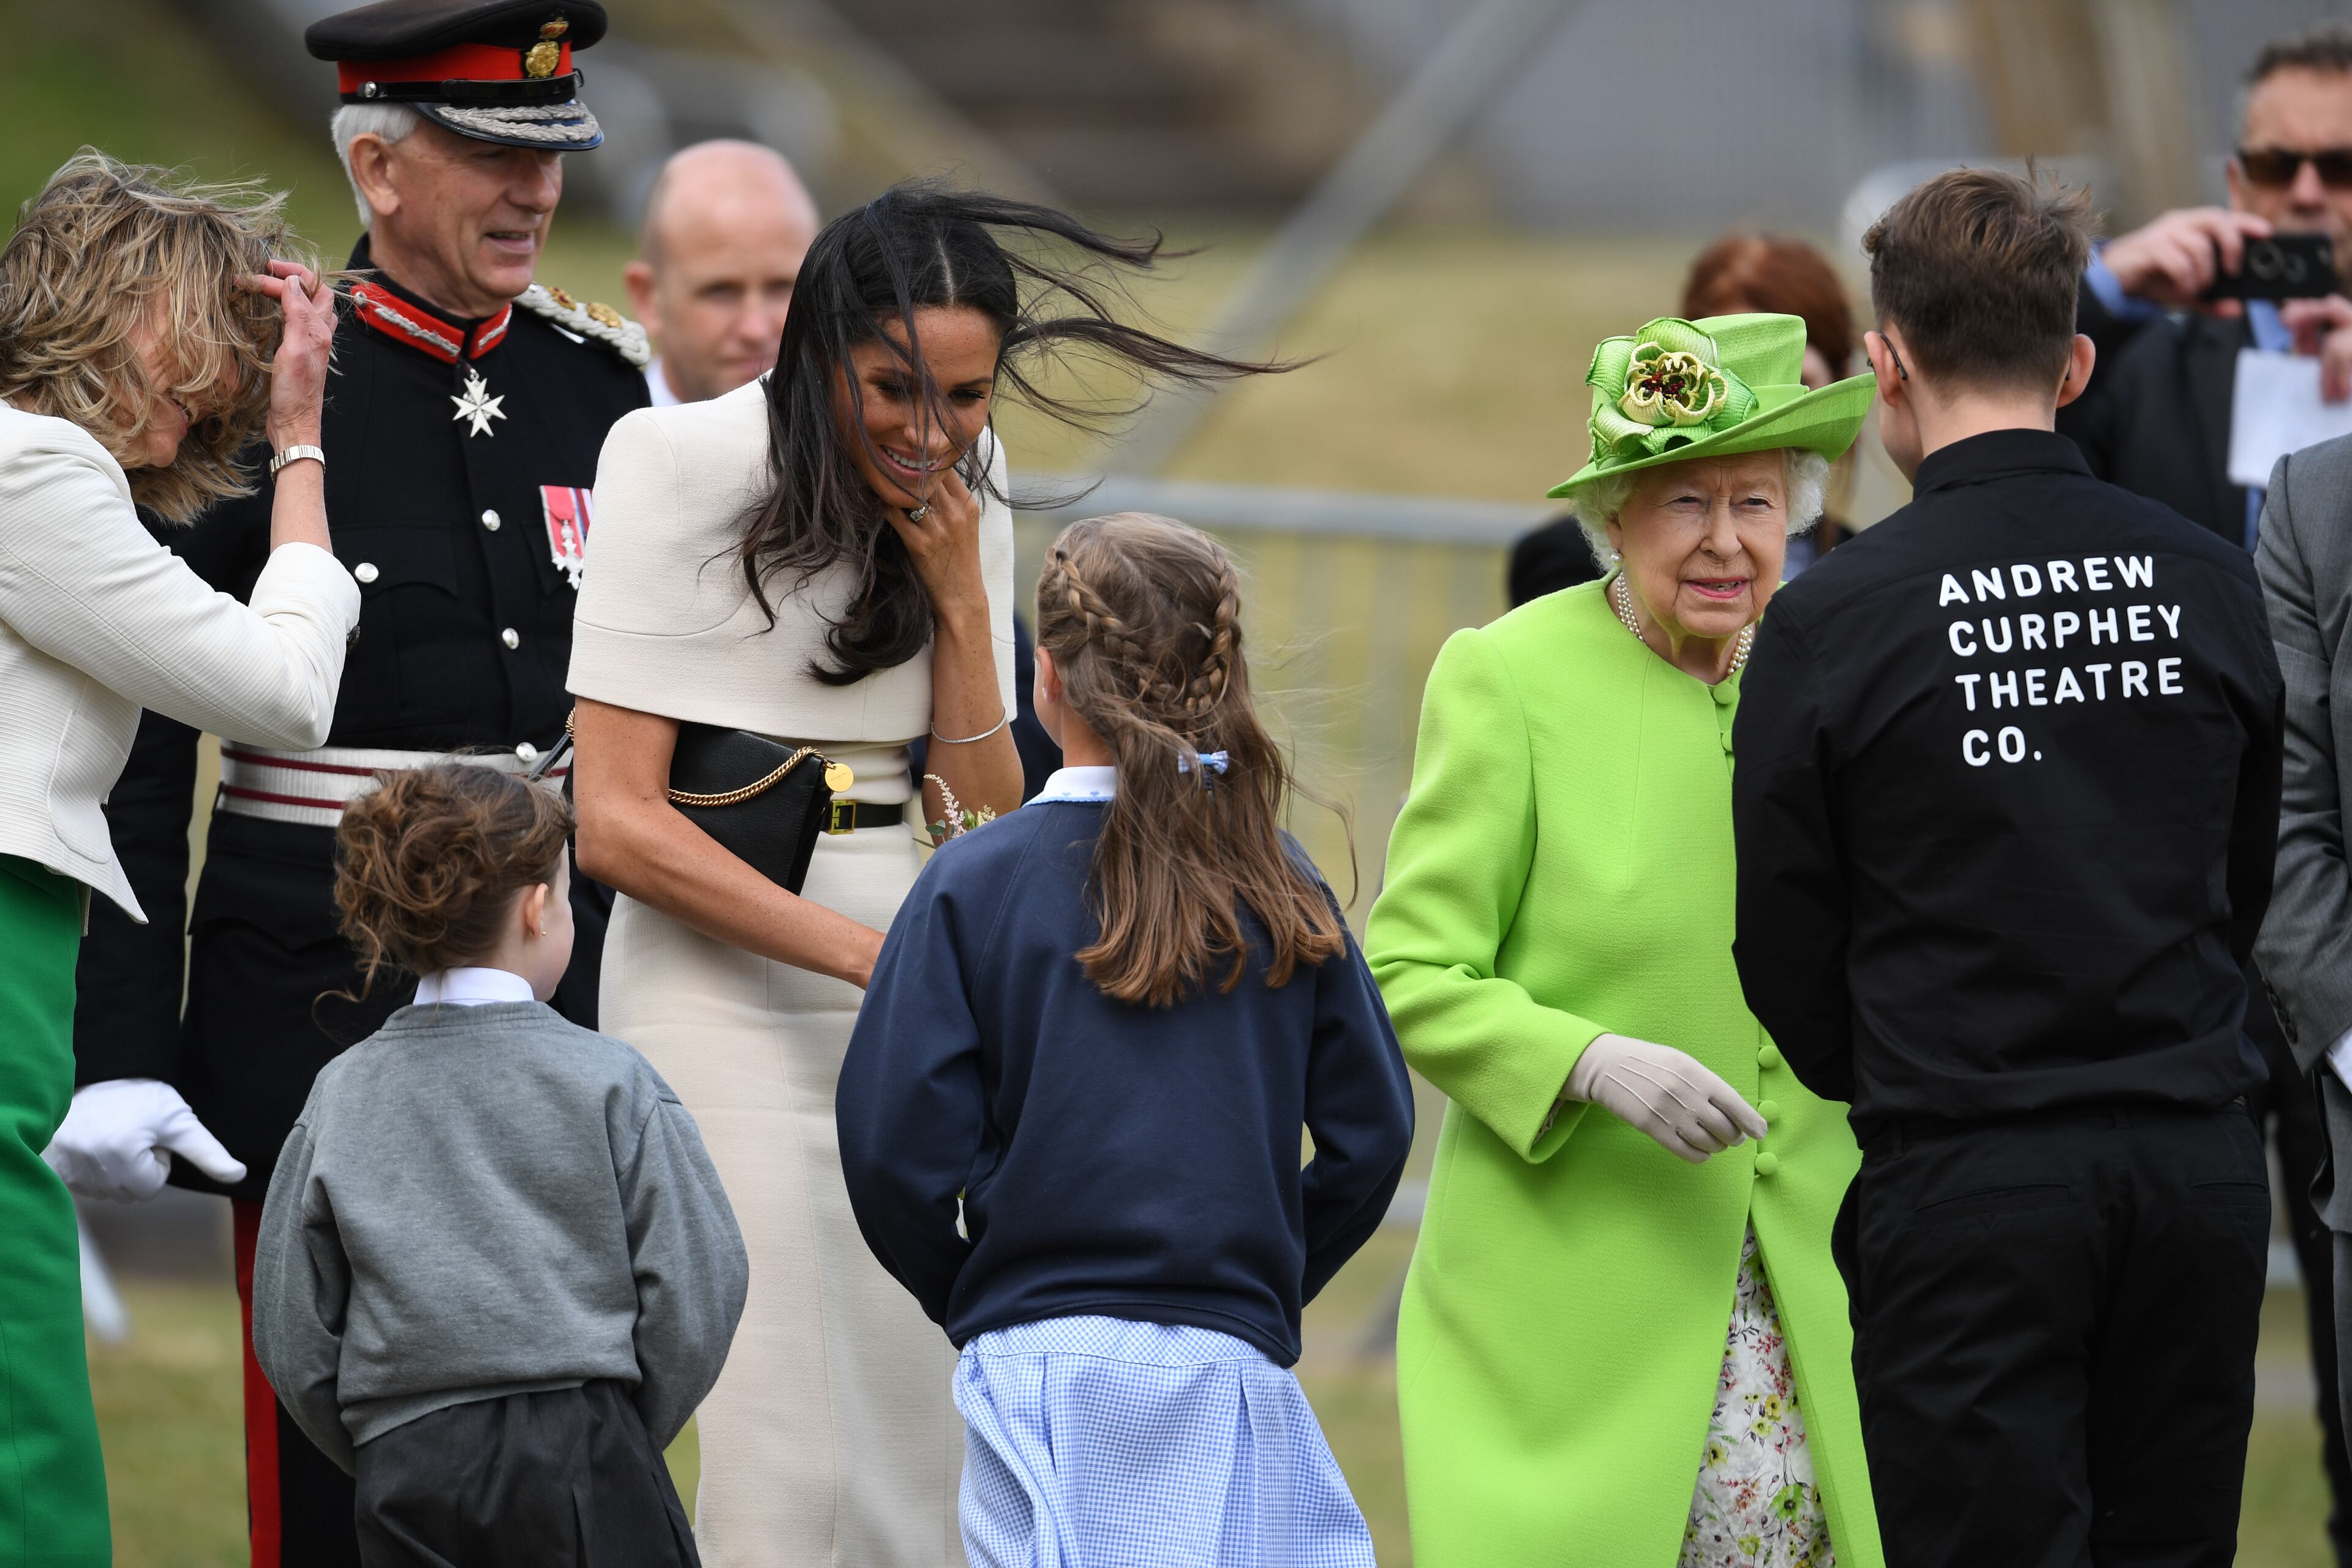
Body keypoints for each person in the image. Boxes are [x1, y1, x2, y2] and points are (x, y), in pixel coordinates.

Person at [567, 181, 1281, 1566]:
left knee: (921, 1436)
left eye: (964, 393)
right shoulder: (666, 454)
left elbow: (975, 817)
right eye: (894, 386)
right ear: (819, 345)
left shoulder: (969, 474)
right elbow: (617, 823)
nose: (930, 428)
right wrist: (865, 958)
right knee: (783, 1455)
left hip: (918, 972)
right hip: (721, 995)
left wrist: (961, 595)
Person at [55, 4, 653, 1561]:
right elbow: (137, 743)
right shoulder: (264, 399)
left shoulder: (606, 393)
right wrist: (122, 1044)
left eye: (552, 157)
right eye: (490, 155)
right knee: (329, 1477)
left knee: (569, 1445)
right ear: (376, 165)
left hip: (559, 1018)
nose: (534, 193)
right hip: (316, 1003)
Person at [1733, 168, 2284, 1568]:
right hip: (2189, 1165)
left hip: (1966, 1170)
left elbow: (1786, 936)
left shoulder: (1833, 620)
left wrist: (1914, 1069)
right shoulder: (2211, 577)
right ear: (2075, 359)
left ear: (1883, 363)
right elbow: (2241, 874)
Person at [1365, 310, 1882, 1566]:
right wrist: (1590, 1060)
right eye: (1684, 501)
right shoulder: (1509, 675)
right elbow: (1412, 965)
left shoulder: (1836, 675)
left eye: (1757, 502)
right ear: (1615, 520)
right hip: (1576, 1304)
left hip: (1822, 1290)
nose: (1725, 540)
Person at [834, 511, 1414, 1566]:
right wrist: (1258, 1278)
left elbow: (890, 1146)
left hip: (1040, 1364)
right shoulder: (1280, 880)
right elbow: (1372, 1135)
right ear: (1218, 673)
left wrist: (977, 1295)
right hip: (1229, 1362)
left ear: (1047, 678)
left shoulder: (973, 882)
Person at [0, 152, 355, 1568]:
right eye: (197, 318)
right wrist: (308, 444)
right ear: (112, 299)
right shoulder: (37, 470)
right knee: (21, 1323)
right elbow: (282, 694)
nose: (227, 368)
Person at [2057, 31, 2352, 1539]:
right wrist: (2099, 293)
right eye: (2269, 167)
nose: (2303, 197)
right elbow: (1946, 453)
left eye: (2339, 169)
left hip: (2342, 921)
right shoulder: (2146, 356)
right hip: (2160, 929)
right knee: (2152, 1384)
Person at [251, 764, 745, 1567]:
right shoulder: (612, 1080)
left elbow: (289, 1327)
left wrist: (379, 1438)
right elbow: (700, 1285)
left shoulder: (339, 1095)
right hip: (586, 1444)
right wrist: (626, 1426)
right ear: (539, 905)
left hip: (407, 1461)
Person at [1507, 232, 1861, 605]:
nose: (1744, 419)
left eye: (1794, 386)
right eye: (1721, 380)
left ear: (1838, 381)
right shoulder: (1563, 564)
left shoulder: (1864, 573)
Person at [624, 139, 821, 409]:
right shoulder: (590, 444)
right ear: (647, 298)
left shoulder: (863, 444)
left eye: (783, 288)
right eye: (721, 291)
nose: (755, 329)